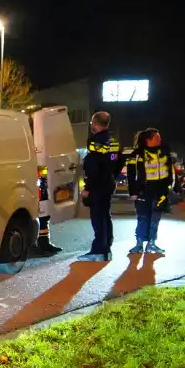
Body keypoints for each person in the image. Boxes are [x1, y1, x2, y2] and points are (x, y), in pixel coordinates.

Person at [77, 111, 123, 261]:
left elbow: (93, 166)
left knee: (98, 218)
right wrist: (111, 176)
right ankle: (106, 249)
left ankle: (98, 251)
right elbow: (119, 162)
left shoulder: (95, 142)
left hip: (97, 185)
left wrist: (88, 188)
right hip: (108, 183)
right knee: (105, 216)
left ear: (95, 123)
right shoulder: (113, 141)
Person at [125, 128, 173, 254]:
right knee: (143, 217)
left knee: (155, 218)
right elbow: (131, 175)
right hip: (143, 191)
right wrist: (133, 192)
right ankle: (139, 244)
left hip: (160, 192)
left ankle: (151, 244)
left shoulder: (164, 151)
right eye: (157, 137)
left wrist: (170, 186)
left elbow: (169, 171)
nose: (160, 139)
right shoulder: (136, 154)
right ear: (148, 140)